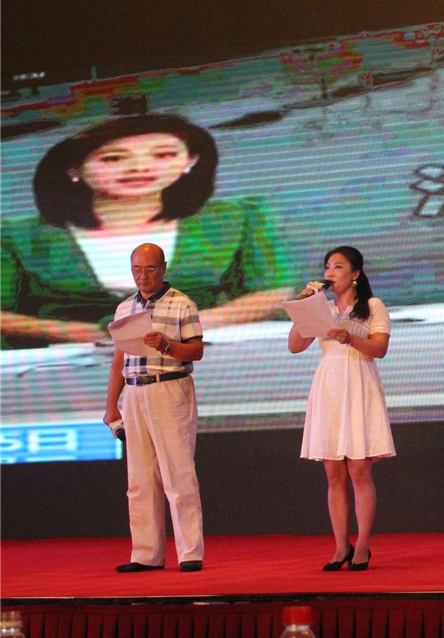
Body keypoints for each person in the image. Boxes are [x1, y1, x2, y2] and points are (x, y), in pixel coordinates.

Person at [1, 111, 293, 349]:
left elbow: (274, 292)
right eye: (114, 158)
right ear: (73, 169)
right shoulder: (17, 236)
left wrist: (184, 326)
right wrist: (93, 334)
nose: (139, 167)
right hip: (62, 370)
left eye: (163, 155)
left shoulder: (239, 217)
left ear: (190, 161)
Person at [288, 246, 395, 571]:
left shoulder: (372, 306)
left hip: (359, 382)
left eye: (338, 267)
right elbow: (295, 346)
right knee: (333, 474)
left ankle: (362, 546)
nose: (330, 273)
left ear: (355, 274)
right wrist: (305, 306)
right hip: (329, 385)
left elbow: (379, 348)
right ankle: (340, 546)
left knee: (359, 470)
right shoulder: (324, 308)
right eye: (327, 267)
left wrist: (350, 338)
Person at [104, 243, 205, 572]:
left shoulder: (181, 303)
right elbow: (119, 359)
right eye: (136, 269)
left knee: (177, 473)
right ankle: (146, 554)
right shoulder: (124, 308)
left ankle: (190, 552)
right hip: (135, 391)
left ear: (162, 268)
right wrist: (111, 405)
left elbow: (196, 351)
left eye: (149, 269)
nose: (142, 276)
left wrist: (166, 345)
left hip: (169, 387)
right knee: (140, 478)